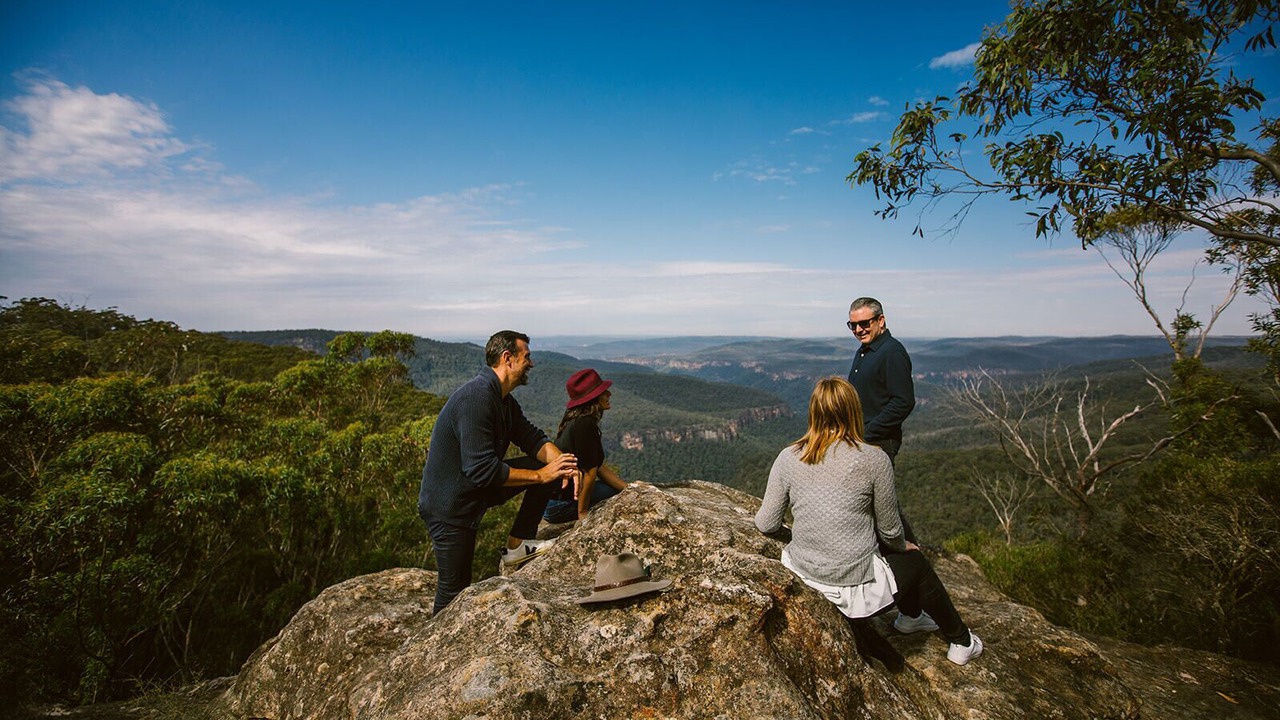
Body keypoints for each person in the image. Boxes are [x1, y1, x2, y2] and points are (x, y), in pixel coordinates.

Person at [754, 377, 983, 666]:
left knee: (893, 554)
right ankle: (962, 641)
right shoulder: (874, 460)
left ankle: (912, 618)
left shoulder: (789, 457)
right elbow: (889, 532)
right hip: (850, 589)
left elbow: (766, 523)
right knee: (915, 562)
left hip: (804, 574)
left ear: (813, 412)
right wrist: (904, 546)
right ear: (854, 412)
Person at [418, 330, 579, 614]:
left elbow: (532, 438)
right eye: (526, 357)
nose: (531, 363)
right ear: (508, 358)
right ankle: (433, 649)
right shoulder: (477, 398)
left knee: (548, 470)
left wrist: (563, 463)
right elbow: (481, 469)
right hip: (450, 507)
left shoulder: (502, 399)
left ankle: (518, 546)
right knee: (453, 590)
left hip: (474, 491)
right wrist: (543, 475)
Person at [846, 296, 918, 543]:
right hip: (861, 439)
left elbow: (903, 401)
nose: (858, 330)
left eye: (864, 323)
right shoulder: (866, 351)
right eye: (852, 325)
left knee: (882, 503)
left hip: (879, 441)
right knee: (867, 500)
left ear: (881, 320)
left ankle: (907, 553)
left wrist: (868, 432)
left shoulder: (892, 352)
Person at [543, 368, 629, 523]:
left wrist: (629, 489)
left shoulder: (577, 420)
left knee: (622, 491)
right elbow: (590, 473)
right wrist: (582, 513)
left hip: (552, 502)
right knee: (616, 493)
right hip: (559, 506)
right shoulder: (585, 424)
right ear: (593, 398)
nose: (609, 394)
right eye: (604, 391)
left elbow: (598, 467)